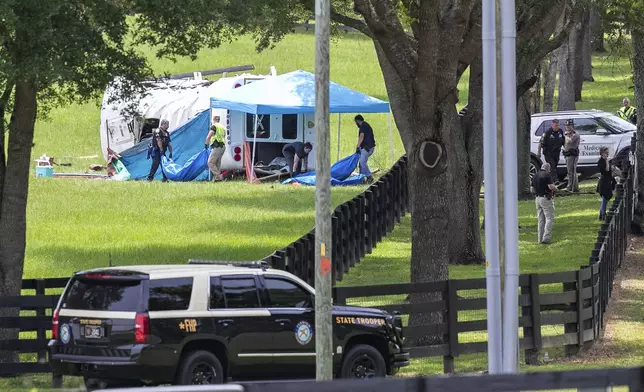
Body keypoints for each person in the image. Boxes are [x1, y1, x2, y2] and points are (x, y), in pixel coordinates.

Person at [532, 162, 557, 244]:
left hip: (537, 198)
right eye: (549, 169)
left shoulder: (535, 175)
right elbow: (550, 187)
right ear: (547, 168)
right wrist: (556, 189)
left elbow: (532, 189)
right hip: (545, 198)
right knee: (549, 218)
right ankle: (546, 237)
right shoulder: (547, 175)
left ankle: (539, 239)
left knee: (540, 219)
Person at [538, 119, 564, 185]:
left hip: (556, 153)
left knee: (554, 166)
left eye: (558, 125)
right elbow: (540, 143)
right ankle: (555, 180)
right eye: (555, 125)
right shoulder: (547, 133)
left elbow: (563, 141)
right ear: (552, 125)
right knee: (552, 166)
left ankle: (549, 180)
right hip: (548, 153)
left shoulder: (560, 132)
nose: (557, 127)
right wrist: (539, 152)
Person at [354, 114, 376, 183]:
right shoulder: (366, 125)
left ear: (357, 121)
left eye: (355, 122)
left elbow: (361, 136)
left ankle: (369, 176)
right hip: (368, 147)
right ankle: (361, 178)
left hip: (367, 148)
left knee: (362, 162)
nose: (356, 124)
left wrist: (358, 146)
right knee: (361, 164)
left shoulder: (363, 126)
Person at [597, 147, 616, 220]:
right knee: (605, 198)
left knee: (606, 198)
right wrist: (606, 161)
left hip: (608, 181)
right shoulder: (601, 162)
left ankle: (601, 214)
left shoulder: (607, 161)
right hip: (604, 182)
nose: (607, 154)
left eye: (608, 152)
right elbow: (606, 169)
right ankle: (602, 214)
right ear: (602, 153)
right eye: (606, 152)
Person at [204, 116, 226, 181]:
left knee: (210, 162)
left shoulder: (214, 126)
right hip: (223, 147)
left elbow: (209, 136)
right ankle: (217, 179)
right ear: (219, 120)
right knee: (217, 163)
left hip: (217, 146)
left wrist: (206, 143)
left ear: (213, 120)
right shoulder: (222, 127)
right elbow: (224, 136)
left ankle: (219, 176)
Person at [562, 119, 580, 192]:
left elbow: (569, 141)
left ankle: (571, 187)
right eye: (567, 126)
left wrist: (565, 136)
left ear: (572, 126)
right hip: (567, 154)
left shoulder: (575, 134)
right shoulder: (566, 134)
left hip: (572, 154)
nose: (568, 127)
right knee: (569, 171)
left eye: (569, 126)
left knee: (571, 171)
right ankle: (571, 186)